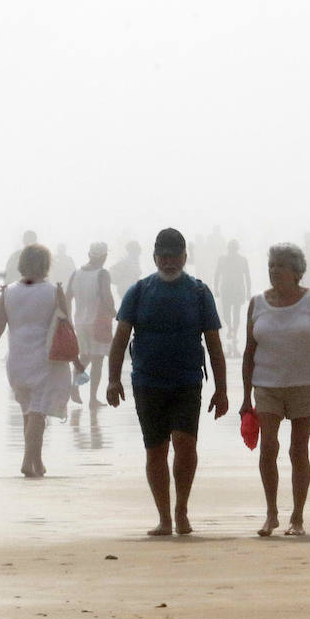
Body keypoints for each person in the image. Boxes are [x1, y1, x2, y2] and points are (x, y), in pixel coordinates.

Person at [106, 228, 227, 536]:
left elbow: (214, 344)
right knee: (156, 450)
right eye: (164, 256)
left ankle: (181, 508)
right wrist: (112, 380)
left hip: (187, 381)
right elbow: (120, 338)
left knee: (185, 446)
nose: (170, 262)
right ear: (155, 258)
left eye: (176, 256)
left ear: (185, 258)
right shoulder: (139, 291)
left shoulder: (199, 292)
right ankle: (164, 517)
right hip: (147, 382)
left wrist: (222, 389)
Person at [240, 243, 310, 537]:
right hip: (267, 385)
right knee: (268, 447)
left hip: (305, 384)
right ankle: (271, 513)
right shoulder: (257, 302)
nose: (274, 271)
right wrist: (245, 396)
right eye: (272, 265)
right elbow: (249, 352)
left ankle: (297, 516)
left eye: (281, 266)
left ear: (296, 272)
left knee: (298, 450)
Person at [0, 244, 82, 477]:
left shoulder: (8, 292)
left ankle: (37, 462)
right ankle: (27, 461)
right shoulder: (54, 291)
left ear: (21, 264)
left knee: (30, 412)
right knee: (37, 412)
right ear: (46, 265)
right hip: (45, 360)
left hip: (16, 361)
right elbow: (66, 327)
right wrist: (76, 361)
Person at [66, 242, 114, 407]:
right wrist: (116, 313)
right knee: (98, 360)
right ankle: (93, 398)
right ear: (103, 256)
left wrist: (69, 319)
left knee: (85, 356)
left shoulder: (76, 273)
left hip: (80, 322)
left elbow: (67, 297)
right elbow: (107, 297)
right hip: (98, 322)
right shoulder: (102, 274)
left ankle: (74, 386)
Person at [213, 239, 252, 348]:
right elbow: (217, 274)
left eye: (233, 249)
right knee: (227, 312)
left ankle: (233, 330)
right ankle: (231, 328)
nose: (232, 251)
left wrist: (248, 290)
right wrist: (215, 288)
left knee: (235, 312)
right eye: (231, 249)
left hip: (237, 289)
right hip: (227, 289)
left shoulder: (242, 260)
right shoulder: (222, 259)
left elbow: (247, 276)